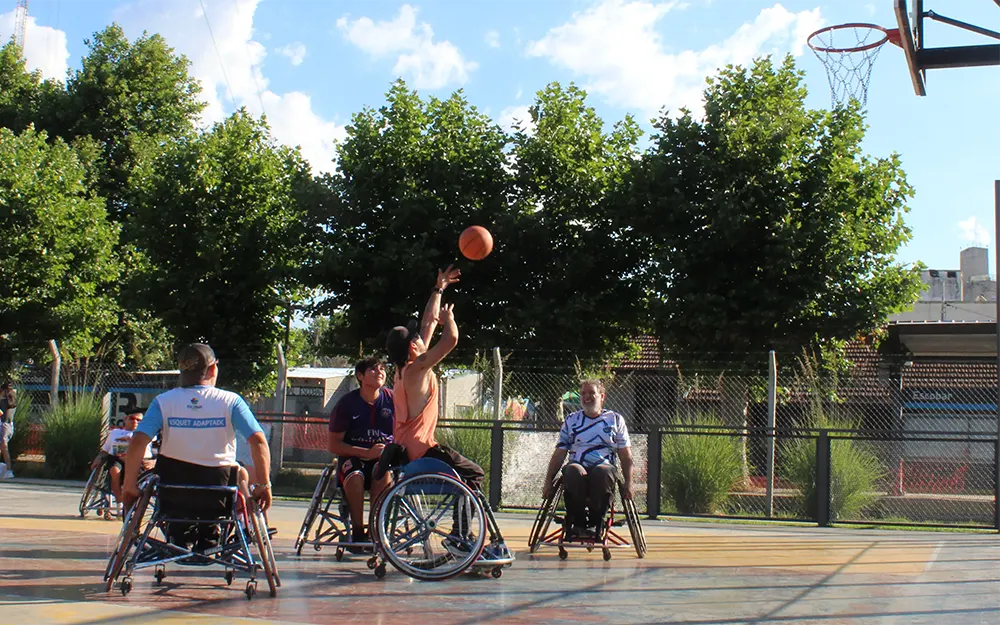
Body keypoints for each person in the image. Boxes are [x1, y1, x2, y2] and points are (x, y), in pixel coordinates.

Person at [122, 343, 271, 549]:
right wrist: (264, 485)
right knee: (239, 474)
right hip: (218, 493)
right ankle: (214, 534)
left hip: (173, 494)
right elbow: (258, 441)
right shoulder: (231, 401)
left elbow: (138, 441)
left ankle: (178, 535)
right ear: (212, 369)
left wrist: (129, 484)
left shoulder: (163, 402)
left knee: (176, 498)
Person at [383, 266, 484, 492]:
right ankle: (463, 527)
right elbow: (451, 340)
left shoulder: (404, 371)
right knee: (475, 473)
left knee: (464, 473)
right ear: (412, 346)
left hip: (405, 450)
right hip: (422, 451)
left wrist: (438, 289)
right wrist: (449, 319)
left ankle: (462, 521)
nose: (420, 335)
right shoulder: (417, 369)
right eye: (415, 337)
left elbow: (428, 322)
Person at [542, 379, 634, 539]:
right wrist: (548, 480)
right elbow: (559, 453)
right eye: (583, 393)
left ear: (602, 396)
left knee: (601, 472)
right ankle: (577, 523)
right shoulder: (571, 420)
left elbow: (626, 455)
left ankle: (594, 524)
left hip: (605, 466)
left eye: (591, 393)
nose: (586, 397)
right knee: (573, 471)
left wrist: (629, 482)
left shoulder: (615, 420)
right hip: (578, 464)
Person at [327, 356, 394, 550]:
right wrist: (367, 452)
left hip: (381, 459)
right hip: (353, 457)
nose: (380, 372)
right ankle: (357, 530)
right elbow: (333, 445)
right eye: (373, 369)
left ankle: (374, 530)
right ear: (360, 376)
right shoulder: (347, 404)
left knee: (382, 473)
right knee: (355, 476)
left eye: (382, 368)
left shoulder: (393, 400)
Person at [90, 411, 155, 502]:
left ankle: (131, 497)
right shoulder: (115, 433)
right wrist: (98, 459)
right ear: (125, 419)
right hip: (117, 459)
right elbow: (105, 450)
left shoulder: (145, 434)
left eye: (138, 420)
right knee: (114, 470)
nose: (135, 421)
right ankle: (119, 498)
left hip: (140, 461)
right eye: (132, 418)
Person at [0, 382, 14, 479]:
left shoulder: (10, 400)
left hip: (6, 424)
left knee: (4, 443)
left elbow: (7, 416)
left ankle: (9, 470)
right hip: (2, 424)